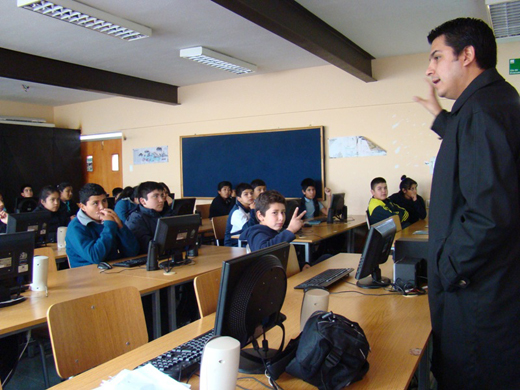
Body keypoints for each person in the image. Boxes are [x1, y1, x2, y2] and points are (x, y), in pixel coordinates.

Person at [413, 18, 520, 389]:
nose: (429, 68)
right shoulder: (490, 103)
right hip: (487, 283)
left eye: (437, 57)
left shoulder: (481, 111)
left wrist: (446, 268)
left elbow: (489, 214)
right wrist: (440, 117)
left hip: (476, 291)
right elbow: (476, 157)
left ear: (468, 55)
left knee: (469, 375)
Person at [66, 183, 139, 268]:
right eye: (95, 203)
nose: (102, 207)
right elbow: (96, 257)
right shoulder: (76, 227)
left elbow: (133, 251)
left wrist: (120, 226)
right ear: (82, 207)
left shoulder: (109, 220)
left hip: (113, 270)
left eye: (104, 201)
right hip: (86, 274)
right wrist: (109, 225)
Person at [239, 190, 305, 252]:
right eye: (274, 213)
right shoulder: (257, 233)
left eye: (283, 212)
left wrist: (302, 264)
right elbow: (263, 251)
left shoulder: (274, 231)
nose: (281, 218)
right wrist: (290, 230)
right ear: (260, 215)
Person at [125, 181, 174, 254]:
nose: (161, 200)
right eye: (155, 196)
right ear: (143, 201)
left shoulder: (166, 213)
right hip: (147, 260)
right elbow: (149, 247)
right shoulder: (135, 219)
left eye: (162, 195)